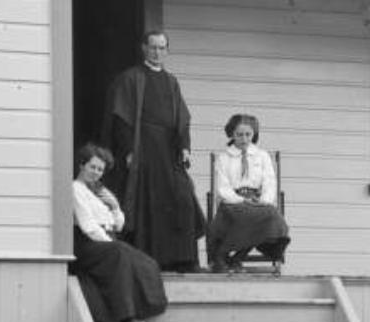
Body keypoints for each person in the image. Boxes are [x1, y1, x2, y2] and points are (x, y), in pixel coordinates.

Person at [101, 31, 206, 272]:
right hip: (143, 148)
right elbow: (121, 117)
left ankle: (182, 260)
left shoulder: (171, 81)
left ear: (167, 51)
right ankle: (148, 262)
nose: (157, 52)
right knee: (145, 203)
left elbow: (182, 118)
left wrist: (185, 147)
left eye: (162, 48)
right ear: (144, 48)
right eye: (153, 47)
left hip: (169, 151)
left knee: (183, 200)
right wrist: (128, 150)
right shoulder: (130, 78)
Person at [71, 143, 168, 322]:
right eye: (92, 167)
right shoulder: (76, 189)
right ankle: (125, 315)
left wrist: (115, 206)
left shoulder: (100, 191)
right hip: (86, 243)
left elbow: (119, 225)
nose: (96, 172)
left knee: (146, 262)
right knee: (120, 253)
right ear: (81, 165)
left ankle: (146, 307)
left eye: (100, 169)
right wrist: (111, 243)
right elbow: (88, 226)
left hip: (106, 241)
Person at [208, 113, 291, 273]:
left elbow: (269, 181)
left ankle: (235, 257)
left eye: (248, 134)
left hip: (257, 200)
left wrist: (264, 200)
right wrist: (239, 199)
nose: (244, 139)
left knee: (271, 215)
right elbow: (222, 186)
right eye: (239, 134)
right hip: (232, 202)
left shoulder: (262, 156)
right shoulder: (224, 157)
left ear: (254, 135)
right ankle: (224, 256)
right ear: (232, 134)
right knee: (249, 216)